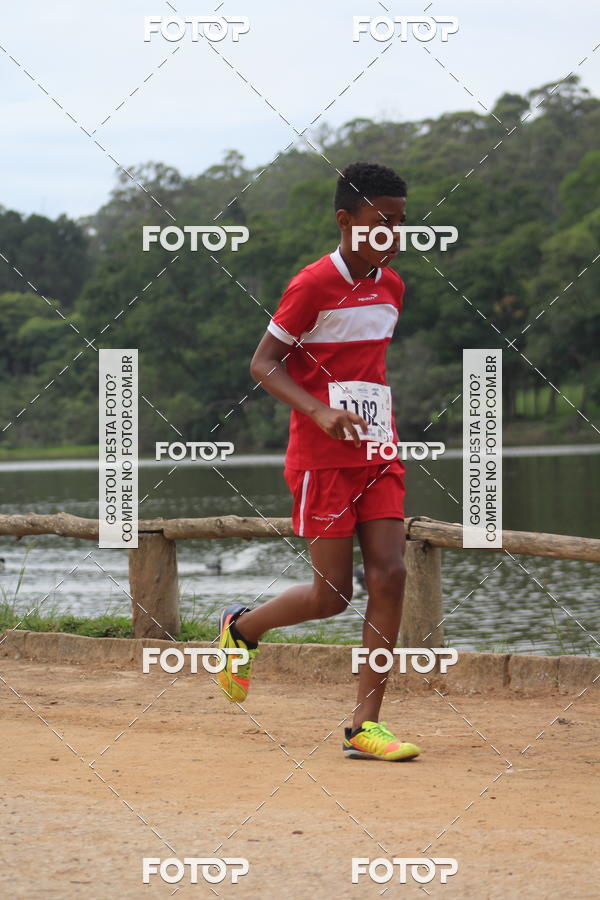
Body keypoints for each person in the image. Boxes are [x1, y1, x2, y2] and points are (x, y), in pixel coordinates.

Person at [217, 161, 420, 762]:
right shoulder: (311, 285)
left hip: (378, 452)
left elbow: (364, 369)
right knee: (332, 595)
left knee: (391, 575)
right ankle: (241, 628)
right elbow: (263, 363)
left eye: (402, 223)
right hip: (322, 461)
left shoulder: (393, 287)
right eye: (382, 221)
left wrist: (363, 419)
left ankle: (364, 726)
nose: (394, 234)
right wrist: (320, 412)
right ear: (345, 220)